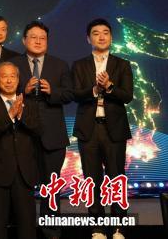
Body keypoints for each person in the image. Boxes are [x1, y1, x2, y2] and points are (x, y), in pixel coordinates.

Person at [10, 21, 74, 239]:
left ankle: (51, 232)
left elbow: (69, 94)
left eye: (42, 38)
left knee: (51, 188)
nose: (38, 41)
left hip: (53, 136)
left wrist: (52, 91)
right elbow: (2, 92)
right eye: (33, 37)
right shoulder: (13, 64)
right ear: (24, 40)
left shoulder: (60, 65)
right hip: (22, 133)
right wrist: (23, 90)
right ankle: (26, 231)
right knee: (23, 187)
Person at [72, 19, 133, 239]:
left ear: (111, 37)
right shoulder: (79, 65)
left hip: (113, 129)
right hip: (88, 129)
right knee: (92, 179)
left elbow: (127, 96)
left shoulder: (122, 65)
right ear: (88, 39)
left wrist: (109, 86)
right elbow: (75, 93)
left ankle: (118, 228)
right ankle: (97, 227)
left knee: (116, 178)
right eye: (96, 33)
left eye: (105, 32)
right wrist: (94, 90)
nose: (101, 36)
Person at [0, 62, 40, 239]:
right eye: (4, 76)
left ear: (18, 79)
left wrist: (20, 115)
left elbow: (38, 130)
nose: (9, 80)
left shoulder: (29, 103)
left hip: (24, 173)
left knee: (27, 225)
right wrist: (9, 116)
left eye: (12, 76)